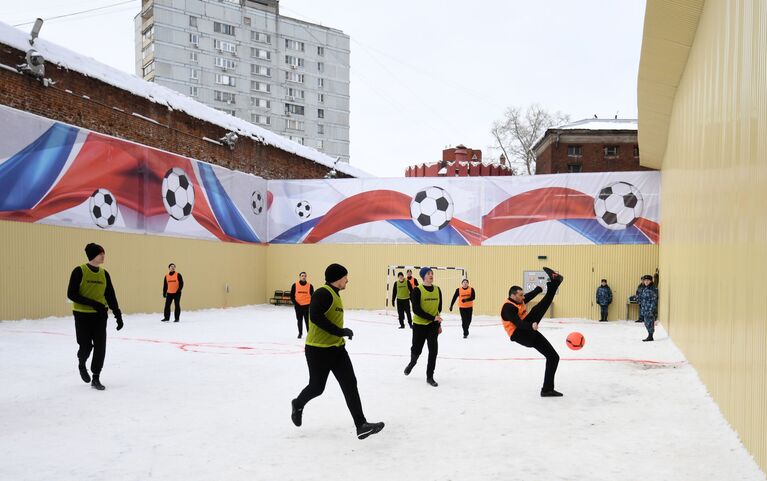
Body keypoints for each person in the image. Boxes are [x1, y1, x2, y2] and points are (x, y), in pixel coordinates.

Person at [291, 263, 384, 440]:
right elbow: (315, 316)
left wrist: (339, 336)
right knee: (317, 387)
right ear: (338, 278)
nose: (347, 280)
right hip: (317, 350)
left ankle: (361, 425)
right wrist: (341, 331)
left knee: (350, 384)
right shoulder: (323, 293)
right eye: (345, 277)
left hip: (337, 350)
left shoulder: (335, 294)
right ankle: (298, 403)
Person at [66, 243, 123, 391]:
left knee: (100, 347)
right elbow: (71, 294)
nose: (103, 256)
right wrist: (93, 304)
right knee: (85, 346)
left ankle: (96, 377)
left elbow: (110, 295)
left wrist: (117, 314)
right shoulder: (79, 271)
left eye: (103, 253)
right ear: (92, 255)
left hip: (100, 316)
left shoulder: (104, 274)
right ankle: (81, 363)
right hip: (82, 315)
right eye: (100, 253)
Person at [501, 267, 564, 397]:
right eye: (520, 295)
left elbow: (528, 296)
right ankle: (554, 283)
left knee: (553, 357)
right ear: (512, 295)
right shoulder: (508, 307)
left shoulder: (519, 300)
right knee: (537, 310)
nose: (523, 297)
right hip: (520, 334)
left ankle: (547, 389)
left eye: (522, 295)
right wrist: (531, 325)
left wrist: (538, 289)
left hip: (529, 332)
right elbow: (518, 323)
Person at [404, 267, 442, 387]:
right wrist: (432, 318)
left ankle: (430, 376)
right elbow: (416, 309)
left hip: (433, 325)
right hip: (419, 325)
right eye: (428, 273)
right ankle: (412, 362)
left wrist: (438, 323)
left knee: (433, 350)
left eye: (432, 273)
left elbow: (438, 308)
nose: (431, 275)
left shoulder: (437, 289)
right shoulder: (417, 290)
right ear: (423, 276)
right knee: (417, 349)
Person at [290, 271, 314, 338]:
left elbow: (313, 296)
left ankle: (309, 334)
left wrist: (311, 305)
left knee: (307, 321)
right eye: (302, 276)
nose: (303, 277)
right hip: (298, 306)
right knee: (299, 320)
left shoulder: (310, 286)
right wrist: (296, 304)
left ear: (306, 277)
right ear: (300, 277)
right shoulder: (295, 285)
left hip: (307, 306)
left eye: (305, 276)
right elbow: (292, 296)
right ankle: (300, 333)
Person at [638, 275, 659, 341]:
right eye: (645, 280)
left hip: (649, 309)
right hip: (645, 308)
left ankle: (650, 336)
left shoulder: (653, 289)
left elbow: (654, 300)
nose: (646, 282)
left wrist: (651, 309)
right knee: (646, 323)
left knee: (649, 323)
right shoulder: (645, 288)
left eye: (648, 280)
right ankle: (650, 335)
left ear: (651, 281)